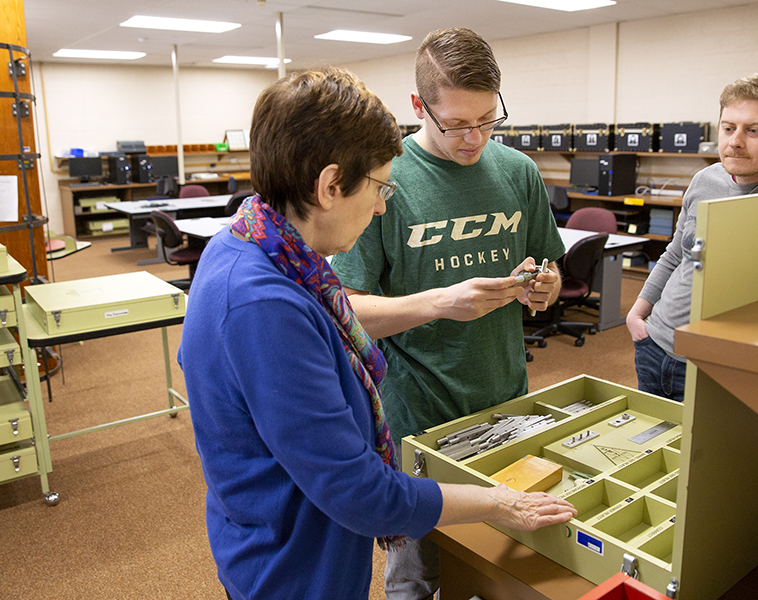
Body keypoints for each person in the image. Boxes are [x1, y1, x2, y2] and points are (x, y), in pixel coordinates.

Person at [177, 67, 576, 600]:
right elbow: (359, 493)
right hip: (292, 567)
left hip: (278, 534)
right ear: (330, 185)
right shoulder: (264, 304)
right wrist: (500, 502)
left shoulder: (248, 247)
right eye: (381, 186)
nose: (384, 204)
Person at [329, 28, 566, 600]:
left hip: (507, 402)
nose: (475, 137)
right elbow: (344, 311)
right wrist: (440, 302)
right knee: (417, 576)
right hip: (418, 417)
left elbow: (550, 279)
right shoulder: (384, 180)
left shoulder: (517, 172)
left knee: (499, 564)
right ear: (419, 106)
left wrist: (544, 288)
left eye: (488, 119)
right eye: (457, 123)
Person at [625, 73, 758, 402]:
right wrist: (638, 314)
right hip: (657, 344)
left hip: (725, 362)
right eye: (728, 128)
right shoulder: (704, 179)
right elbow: (677, 254)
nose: (735, 141)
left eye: (753, 130)